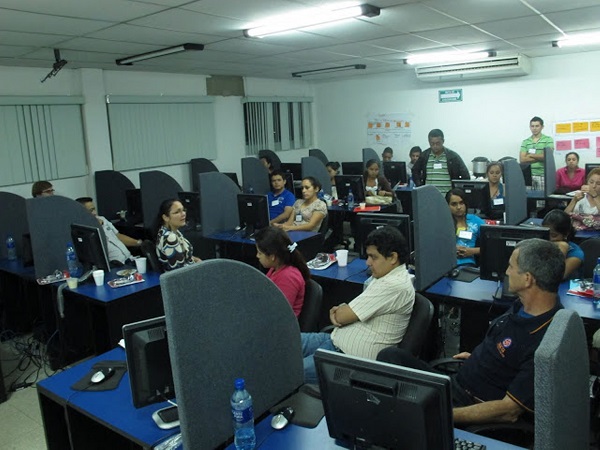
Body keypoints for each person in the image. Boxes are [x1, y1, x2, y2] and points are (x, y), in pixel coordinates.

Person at [378, 238, 565, 425]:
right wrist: (479, 357)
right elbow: (505, 348)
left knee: (400, 412)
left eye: (511, 266)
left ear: (527, 279)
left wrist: (442, 415)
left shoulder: (545, 341)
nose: (506, 272)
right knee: (391, 358)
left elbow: (509, 411)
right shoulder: (521, 306)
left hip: (469, 404)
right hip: (456, 383)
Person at [301, 226, 415, 383]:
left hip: (347, 359)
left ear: (393, 258)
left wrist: (341, 312)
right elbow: (348, 312)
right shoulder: (383, 276)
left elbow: (341, 316)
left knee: (290, 371)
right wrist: (344, 311)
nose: (367, 262)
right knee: (283, 340)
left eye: (373, 257)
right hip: (334, 340)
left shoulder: (393, 285)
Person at [255, 226, 310, 317]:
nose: (257, 256)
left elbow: (279, 314)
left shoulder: (288, 277)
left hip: (281, 327)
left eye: (260, 253)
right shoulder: (275, 269)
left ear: (272, 256)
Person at [76, 197, 141, 265]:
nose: (95, 213)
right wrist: (98, 226)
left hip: (130, 258)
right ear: (82, 213)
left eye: (94, 209)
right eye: (91, 210)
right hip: (117, 265)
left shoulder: (102, 219)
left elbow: (118, 236)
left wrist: (138, 243)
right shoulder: (85, 231)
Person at [411, 129, 470, 194]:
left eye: (438, 143)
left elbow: (466, 176)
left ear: (443, 141)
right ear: (429, 142)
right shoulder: (424, 156)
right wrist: (420, 186)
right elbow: (415, 171)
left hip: (448, 198)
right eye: (432, 144)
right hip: (429, 196)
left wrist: (457, 192)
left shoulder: (453, 157)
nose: (435, 146)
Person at [154, 198, 201, 271]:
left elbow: (184, 256)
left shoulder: (171, 232)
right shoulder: (170, 238)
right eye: (177, 212)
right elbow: (179, 272)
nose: (183, 214)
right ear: (165, 217)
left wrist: (196, 260)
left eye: (183, 210)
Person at [446, 188, 484, 267]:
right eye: (454, 204)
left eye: (461, 203)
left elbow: (492, 246)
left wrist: (472, 251)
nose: (459, 207)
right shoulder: (442, 222)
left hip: (467, 265)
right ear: (447, 206)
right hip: (445, 266)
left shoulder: (475, 221)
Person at [541, 209, 583, 279]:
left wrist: (562, 247)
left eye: (554, 235)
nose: (550, 239)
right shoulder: (540, 245)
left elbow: (556, 277)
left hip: (567, 288)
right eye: (546, 234)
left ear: (565, 234)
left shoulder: (576, 253)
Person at [519, 116, 554, 191]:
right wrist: (539, 157)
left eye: (537, 126)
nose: (534, 128)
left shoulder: (548, 140)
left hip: (542, 174)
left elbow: (547, 156)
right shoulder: (525, 142)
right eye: (532, 126)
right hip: (528, 175)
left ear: (542, 127)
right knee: (529, 200)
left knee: (541, 201)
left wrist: (530, 155)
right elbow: (522, 160)